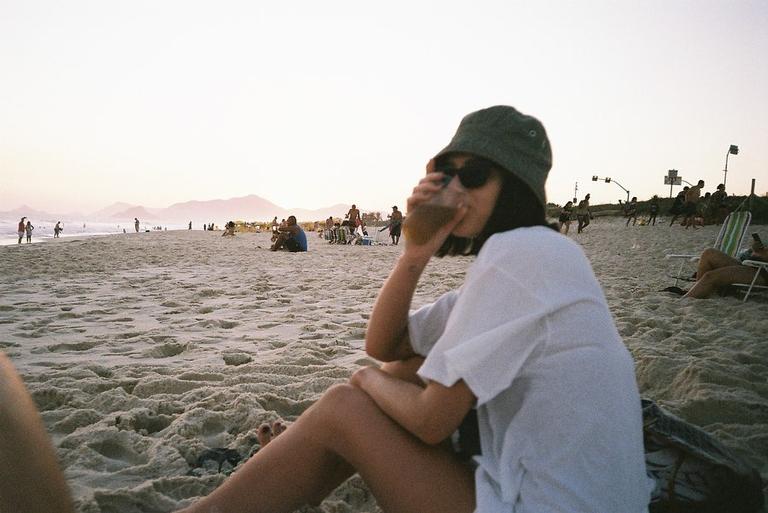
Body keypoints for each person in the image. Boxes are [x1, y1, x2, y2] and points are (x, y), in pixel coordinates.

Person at [178, 105, 652, 513]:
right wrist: (414, 253)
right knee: (410, 368)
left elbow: (430, 420)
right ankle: (295, 468)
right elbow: (386, 344)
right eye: (447, 175)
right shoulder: (537, 261)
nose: (455, 189)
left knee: (347, 404)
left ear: (515, 188)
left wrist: (364, 380)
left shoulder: (521, 254)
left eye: (475, 176)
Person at [682, 235, 768, 299]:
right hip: (747, 265)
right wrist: (752, 250)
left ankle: (685, 300)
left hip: (762, 273)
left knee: (710, 276)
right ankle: (698, 290)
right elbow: (743, 256)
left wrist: (762, 254)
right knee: (708, 253)